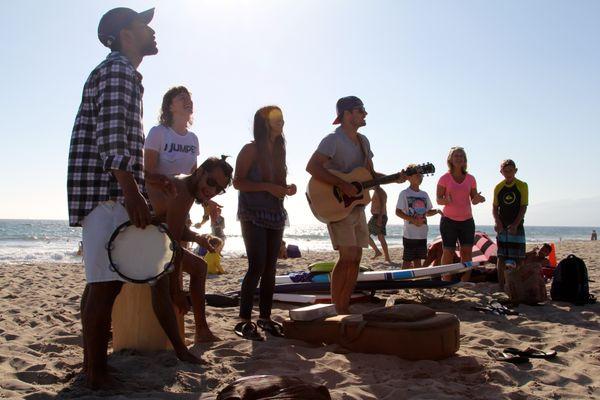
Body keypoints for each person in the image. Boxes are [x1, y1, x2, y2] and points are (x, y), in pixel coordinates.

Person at [66, 7, 199, 389]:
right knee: (105, 285)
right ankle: (96, 372)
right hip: (107, 193)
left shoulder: (122, 73)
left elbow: (118, 139)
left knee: (104, 283)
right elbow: (110, 142)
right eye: (145, 26)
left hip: (108, 190)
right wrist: (132, 192)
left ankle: (94, 366)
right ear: (126, 35)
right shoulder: (118, 71)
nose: (152, 33)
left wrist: (148, 178)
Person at [306, 96, 406, 314]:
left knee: (357, 257)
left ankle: (343, 306)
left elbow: (369, 175)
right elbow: (312, 167)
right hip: (337, 204)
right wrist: (343, 184)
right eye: (360, 110)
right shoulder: (332, 139)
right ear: (347, 114)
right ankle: (336, 307)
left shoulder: (364, 141)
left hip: (358, 205)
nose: (365, 114)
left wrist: (395, 177)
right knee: (347, 255)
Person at [148, 156, 233, 342]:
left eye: (219, 189)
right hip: (140, 240)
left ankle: (202, 330)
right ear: (200, 172)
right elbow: (173, 245)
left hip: (152, 236)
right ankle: (201, 330)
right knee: (199, 267)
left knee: (200, 267)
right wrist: (176, 291)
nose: (212, 191)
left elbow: (172, 224)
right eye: (211, 182)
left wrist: (196, 237)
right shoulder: (182, 191)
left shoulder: (185, 185)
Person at [234, 106, 296, 340]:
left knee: (271, 268)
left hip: (275, 213)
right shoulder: (250, 149)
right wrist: (268, 187)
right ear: (264, 123)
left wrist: (288, 188)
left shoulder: (279, 149)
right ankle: (244, 320)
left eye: (282, 118)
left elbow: (278, 182)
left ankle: (265, 318)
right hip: (252, 213)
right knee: (256, 266)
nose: (281, 122)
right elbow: (238, 182)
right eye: (276, 118)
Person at [436, 147, 485, 281]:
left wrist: (478, 199)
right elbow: (438, 200)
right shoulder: (444, 178)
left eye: (461, 156)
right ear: (450, 159)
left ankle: (465, 281)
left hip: (467, 221)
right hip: (449, 221)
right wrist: (447, 200)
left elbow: (473, 200)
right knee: (448, 252)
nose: (458, 158)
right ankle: (446, 280)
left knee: (466, 252)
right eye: (456, 156)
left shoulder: (471, 178)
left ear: (465, 160)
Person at [492, 159, 528, 291]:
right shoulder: (498, 187)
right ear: (501, 172)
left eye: (510, 171)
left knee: (519, 258)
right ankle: (501, 285)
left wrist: (515, 224)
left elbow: (523, 207)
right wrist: (498, 222)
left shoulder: (522, 185)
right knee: (501, 257)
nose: (508, 173)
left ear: (515, 171)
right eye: (505, 171)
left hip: (516, 225)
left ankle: (518, 284)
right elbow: (495, 208)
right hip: (502, 226)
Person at [396, 167, 442, 268]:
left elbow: (427, 212)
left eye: (421, 175)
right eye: (417, 175)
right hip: (409, 235)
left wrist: (437, 211)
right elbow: (398, 212)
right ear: (409, 177)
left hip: (422, 234)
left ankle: (417, 281)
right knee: (407, 262)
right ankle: (403, 282)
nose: (420, 177)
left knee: (418, 261)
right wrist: (413, 220)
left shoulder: (424, 194)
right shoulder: (404, 193)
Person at [367, 187, 391, 262]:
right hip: (375, 216)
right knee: (366, 235)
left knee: (380, 237)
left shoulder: (380, 192)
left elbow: (383, 205)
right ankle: (378, 252)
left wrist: (380, 218)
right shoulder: (376, 191)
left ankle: (386, 257)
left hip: (379, 216)